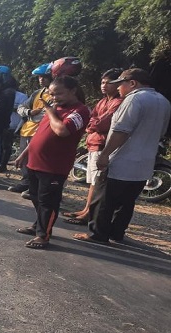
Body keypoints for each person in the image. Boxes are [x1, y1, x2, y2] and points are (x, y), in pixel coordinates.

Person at [73, 68, 171, 244]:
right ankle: (117, 233)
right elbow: (162, 131)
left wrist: (105, 154)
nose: (118, 89)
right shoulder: (163, 101)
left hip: (123, 160)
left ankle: (98, 234)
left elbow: (121, 131)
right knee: (126, 202)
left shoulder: (134, 99)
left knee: (104, 199)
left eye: (120, 85)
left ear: (132, 83)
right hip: (145, 162)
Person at [14, 76, 91, 249]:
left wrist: (49, 111)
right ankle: (37, 225)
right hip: (34, 162)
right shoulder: (55, 108)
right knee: (35, 196)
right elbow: (39, 135)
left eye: (58, 93)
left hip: (54, 166)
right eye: (51, 93)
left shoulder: (80, 111)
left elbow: (62, 131)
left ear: (73, 91)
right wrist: (24, 154)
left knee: (48, 202)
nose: (54, 97)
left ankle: (43, 235)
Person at [62, 68, 124, 225]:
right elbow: (92, 119)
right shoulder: (103, 101)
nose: (104, 85)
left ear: (117, 84)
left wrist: (92, 125)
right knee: (92, 181)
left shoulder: (118, 102)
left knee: (97, 182)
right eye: (102, 82)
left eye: (108, 82)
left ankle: (90, 213)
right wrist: (92, 125)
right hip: (93, 143)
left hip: (103, 145)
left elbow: (103, 123)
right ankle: (86, 209)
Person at [8, 63, 53, 194]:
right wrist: (29, 112)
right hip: (26, 130)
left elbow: (46, 115)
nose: (41, 80)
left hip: (40, 132)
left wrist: (34, 113)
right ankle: (26, 182)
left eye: (44, 77)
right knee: (25, 160)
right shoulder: (37, 93)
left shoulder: (54, 95)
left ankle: (35, 187)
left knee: (37, 160)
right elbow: (21, 108)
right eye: (39, 77)